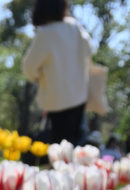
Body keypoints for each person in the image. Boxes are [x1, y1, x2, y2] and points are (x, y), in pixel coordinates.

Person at [21, 0, 95, 145]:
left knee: (59, 142)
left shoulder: (45, 34)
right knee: (74, 141)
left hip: (54, 98)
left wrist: (40, 78)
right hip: (78, 95)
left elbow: (28, 68)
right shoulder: (74, 27)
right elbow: (89, 49)